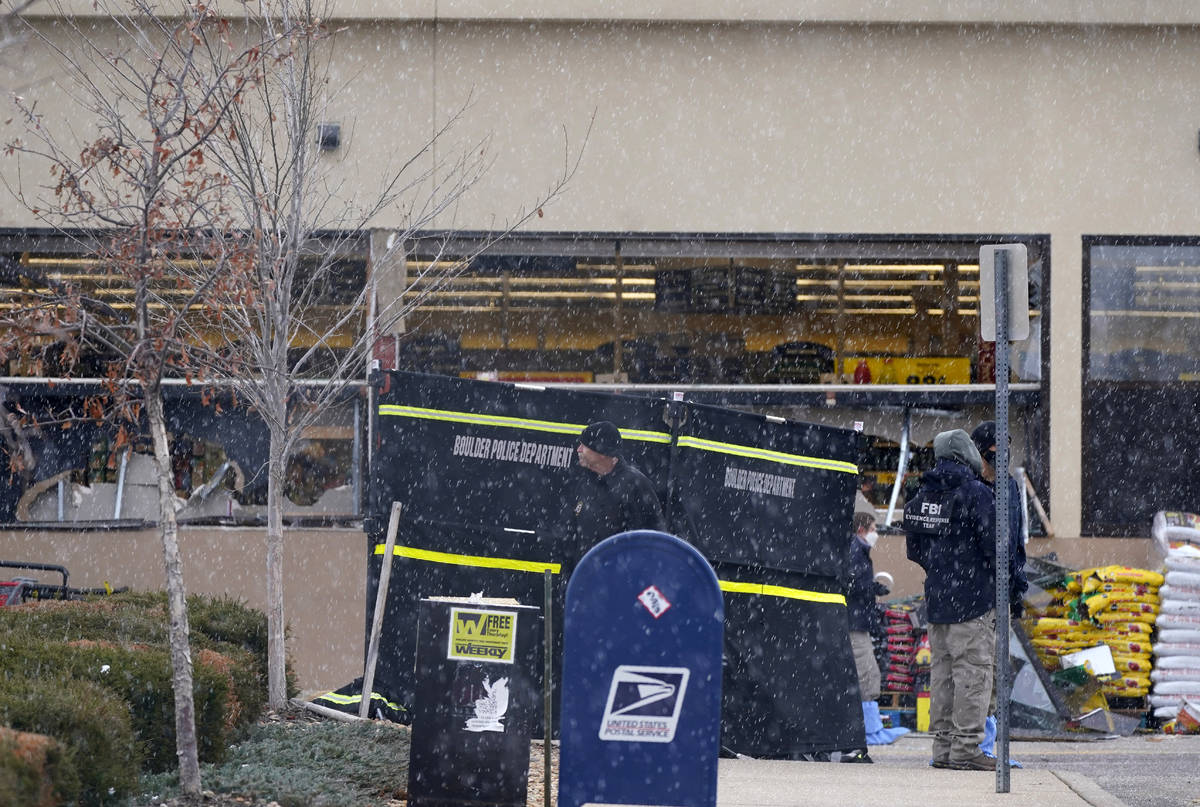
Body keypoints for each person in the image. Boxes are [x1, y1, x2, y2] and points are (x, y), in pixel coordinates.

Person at [903, 429, 997, 772]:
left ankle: (942, 748)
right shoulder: (976, 493)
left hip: (938, 600)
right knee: (972, 674)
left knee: (942, 677)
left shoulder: (923, 494)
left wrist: (942, 569)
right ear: (965, 453)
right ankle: (967, 749)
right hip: (972, 601)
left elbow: (915, 549)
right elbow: (994, 547)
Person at [567, 420, 667, 557]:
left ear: (602, 452)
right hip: (586, 569)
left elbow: (653, 537)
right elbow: (571, 535)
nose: (578, 449)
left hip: (620, 568)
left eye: (584, 446)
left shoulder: (635, 485)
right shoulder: (584, 484)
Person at [970, 421, 1030, 618]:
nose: (1004, 451)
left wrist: (1018, 586)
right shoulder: (969, 487)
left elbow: (1015, 539)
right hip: (977, 595)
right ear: (981, 450)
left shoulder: (1010, 485)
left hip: (1004, 592)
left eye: (1007, 445)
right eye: (998, 445)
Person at [840, 511, 887, 763]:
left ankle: (870, 727)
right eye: (873, 528)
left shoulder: (855, 550)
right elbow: (854, 583)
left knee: (867, 673)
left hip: (857, 620)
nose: (876, 533)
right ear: (862, 529)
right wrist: (872, 588)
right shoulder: (856, 551)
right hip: (856, 623)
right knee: (867, 674)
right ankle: (870, 729)